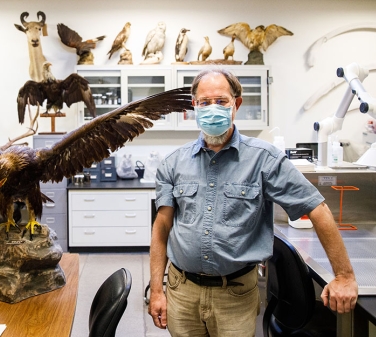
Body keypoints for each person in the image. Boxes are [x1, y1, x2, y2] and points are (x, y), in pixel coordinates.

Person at [148, 68, 358, 336]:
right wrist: (157, 290)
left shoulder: (265, 160)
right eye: (204, 102)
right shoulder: (173, 163)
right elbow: (161, 227)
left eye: (221, 101)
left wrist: (344, 276)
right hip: (182, 292)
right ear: (193, 107)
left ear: (236, 104)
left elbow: (317, 208)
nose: (212, 109)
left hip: (234, 295)